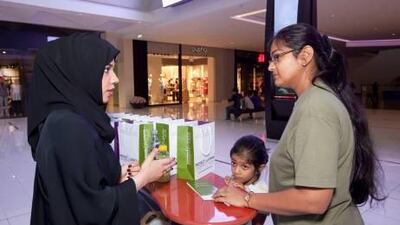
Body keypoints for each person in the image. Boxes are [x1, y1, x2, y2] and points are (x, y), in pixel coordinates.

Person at [213, 23, 385, 224]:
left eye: (277, 57)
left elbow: (314, 200)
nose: (270, 66)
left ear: (305, 56)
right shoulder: (313, 99)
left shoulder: (316, 107)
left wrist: (247, 199)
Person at [28, 33, 176, 225]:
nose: (115, 79)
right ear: (79, 72)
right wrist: (143, 178)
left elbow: (77, 181)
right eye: (107, 70)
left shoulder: (67, 118)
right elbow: (91, 210)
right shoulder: (68, 127)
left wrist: (117, 173)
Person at [224, 135, 269, 225]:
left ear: (259, 168)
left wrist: (244, 192)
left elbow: (265, 212)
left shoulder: (262, 191)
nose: (236, 171)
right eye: (233, 163)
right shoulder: (240, 177)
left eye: (244, 166)